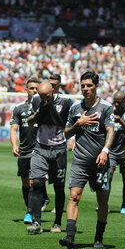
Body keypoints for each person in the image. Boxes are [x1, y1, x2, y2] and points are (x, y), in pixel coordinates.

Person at [60, 71, 115, 249]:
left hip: (100, 163)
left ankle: (99, 237)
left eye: (89, 85)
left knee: (102, 201)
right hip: (80, 160)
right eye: (83, 85)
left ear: (96, 86)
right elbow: (65, 133)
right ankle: (69, 237)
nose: (85, 89)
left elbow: (110, 131)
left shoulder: (106, 108)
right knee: (74, 196)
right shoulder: (75, 108)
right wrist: (78, 124)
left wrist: (105, 151)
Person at [25, 82, 73, 234]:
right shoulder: (36, 101)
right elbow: (29, 121)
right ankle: (37, 222)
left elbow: (69, 124)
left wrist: (73, 138)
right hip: (40, 147)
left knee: (58, 186)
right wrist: (39, 112)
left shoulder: (66, 102)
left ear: (53, 91)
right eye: (41, 96)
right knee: (37, 182)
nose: (44, 99)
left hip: (59, 149)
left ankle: (57, 222)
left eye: (47, 96)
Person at [10, 77, 49, 224]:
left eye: (36, 88)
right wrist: (14, 145)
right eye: (31, 88)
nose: (34, 91)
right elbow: (14, 128)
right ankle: (31, 207)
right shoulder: (19, 108)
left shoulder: (45, 107)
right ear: (26, 90)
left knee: (33, 182)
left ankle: (30, 212)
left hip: (39, 149)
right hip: (24, 150)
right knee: (26, 183)